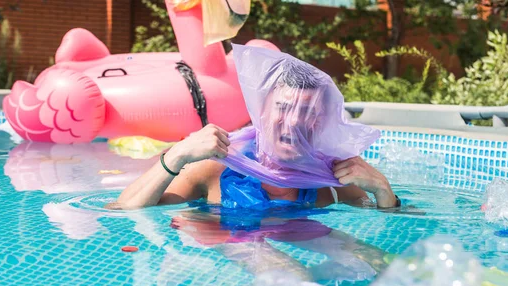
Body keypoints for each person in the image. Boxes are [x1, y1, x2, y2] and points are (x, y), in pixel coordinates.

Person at [106, 59, 399, 211]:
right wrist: (178, 155)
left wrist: (383, 190)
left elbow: (391, 224)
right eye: (283, 108)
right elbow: (124, 208)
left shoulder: (331, 176)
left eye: (306, 113)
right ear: (263, 111)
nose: (293, 122)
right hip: (229, 258)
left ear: (319, 122)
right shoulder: (218, 166)